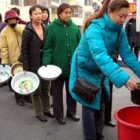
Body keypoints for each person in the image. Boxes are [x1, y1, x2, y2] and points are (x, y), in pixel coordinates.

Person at [69, 0, 140, 140]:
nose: (123, 19)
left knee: (101, 103)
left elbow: (127, 55)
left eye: (125, 16)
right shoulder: (95, 28)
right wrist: (124, 78)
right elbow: (101, 56)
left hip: (100, 70)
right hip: (84, 71)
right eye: (120, 15)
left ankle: (99, 135)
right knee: (89, 107)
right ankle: (90, 137)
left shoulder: (119, 31)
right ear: (109, 12)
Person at [42, 3, 81, 125]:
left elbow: (80, 47)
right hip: (56, 68)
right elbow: (47, 47)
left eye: (70, 12)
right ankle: (59, 115)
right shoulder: (51, 28)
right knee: (57, 93)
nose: (68, 15)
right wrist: (46, 61)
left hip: (71, 68)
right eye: (66, 12)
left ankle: (71, 112)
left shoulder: (74, 28)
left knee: (71, 92)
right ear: (59, 14)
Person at [20, 5, 54, 122]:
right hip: (33, 64)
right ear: (30, 16)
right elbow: (24, 50)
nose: (39, 16)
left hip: (45, 63)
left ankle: (46, 110)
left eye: (40, 13)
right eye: (36, 14)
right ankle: (39, 112)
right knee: (36, 90)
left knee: (46, 88)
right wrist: (25, 67)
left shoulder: (46, 28)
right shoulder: (27, 31)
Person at [0, 10, 26, 106]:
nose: (12, 21)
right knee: (16, 79)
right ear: (6, 20)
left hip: (24, 58)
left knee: (25, 77)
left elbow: (26, 36)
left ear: (17, 19)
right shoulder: (4, 32)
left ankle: (26, 95)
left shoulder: (21, 28)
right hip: (13, 60)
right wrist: (5, 63)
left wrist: (17, 27)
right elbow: (4, 48)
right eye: (9, 19)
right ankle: (18, 97)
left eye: (14, 18)